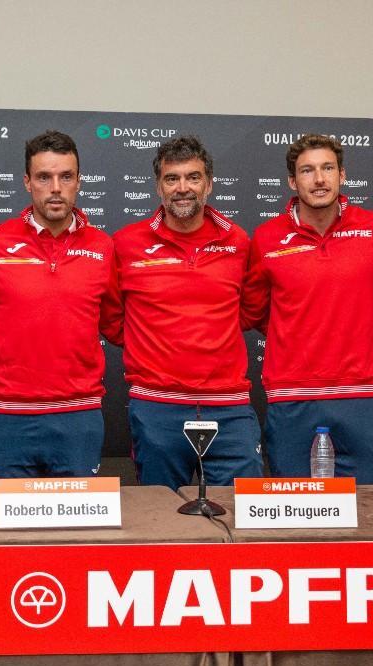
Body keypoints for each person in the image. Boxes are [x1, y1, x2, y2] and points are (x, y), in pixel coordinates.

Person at [0, 131, 119, 486]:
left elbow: (119, 326)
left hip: (78, 417)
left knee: (78, 534)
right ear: (27, 182)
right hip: (8, 418)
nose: (55, 187)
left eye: (65, 177)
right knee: (9, 536)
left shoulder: (103, 247)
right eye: (44, 177)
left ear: (78, 182)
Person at [242, 134, 373, 483]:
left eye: (328, 168)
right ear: (293, 182)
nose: (319, 179)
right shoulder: (266, 237)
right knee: (296, 515)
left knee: (372, 509)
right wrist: (296, 330)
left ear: (342, 175)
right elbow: (255, 309)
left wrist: (358, 326)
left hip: (361, 393)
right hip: (291, 395)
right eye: (307, 171)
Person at [113, 136, 261, 490]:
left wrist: (210, 333)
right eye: (172, 178)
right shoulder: (126, 243)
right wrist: (151, 342)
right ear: (158, 186)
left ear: (209, 184)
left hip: (229, 406)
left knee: (241, 517)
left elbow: (250, 309)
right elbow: (111, 317)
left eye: (193, 177)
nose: (183, 188)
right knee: (163, 519)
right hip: (156, 406)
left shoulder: (238, 242)